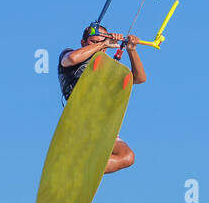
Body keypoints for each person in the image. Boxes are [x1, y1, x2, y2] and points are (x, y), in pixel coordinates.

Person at [58, 23, 146, 174]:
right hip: (80, 120)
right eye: (94, 41)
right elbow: (71, 59)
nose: (100, 46)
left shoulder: (108, 69)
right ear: (83, 43)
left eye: (102, 42)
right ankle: (78, 162)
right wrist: (104, 43)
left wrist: (132, 50)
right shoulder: (69, 54)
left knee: (128, 157)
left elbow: (139, 79)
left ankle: (83, 168)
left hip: (102, 125)